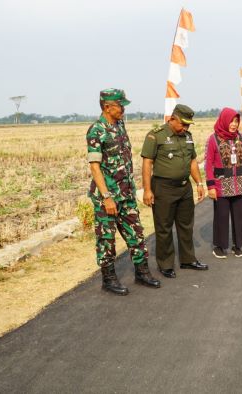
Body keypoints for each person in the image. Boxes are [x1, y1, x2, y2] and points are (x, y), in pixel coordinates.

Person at [86, 88, 160, 295]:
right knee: (106, 239)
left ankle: (142, 272)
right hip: (107, 197)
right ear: (107, 107)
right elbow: (94, 167)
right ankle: (108, 279)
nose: (123, 110)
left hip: (126, 194)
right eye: (120, 106)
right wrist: (107, 197)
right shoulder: (96, 131)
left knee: (136, 235)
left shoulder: (119, 125)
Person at [141, 104, 208, 278]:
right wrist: (147, 190)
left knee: (186, 225)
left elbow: (193, 161)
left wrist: (199, 183)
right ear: (173, 119)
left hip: (184, 187)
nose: (185, 128)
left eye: (188, 125)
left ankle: (188, 259)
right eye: (183, 124)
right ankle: (166, 264)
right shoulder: (156, 135)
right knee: (164, 228)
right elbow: (147, 163)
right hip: (163, 188)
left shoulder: (187, 137)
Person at [205, 107, 242, 259]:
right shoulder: (213, 139)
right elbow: (208, 164)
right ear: (224, 120)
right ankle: (220, 246)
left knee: (239, 217)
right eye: (231, 121)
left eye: (236, 121)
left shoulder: (241, 138)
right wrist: (211, 186)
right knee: (221, 216)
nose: (234, 124)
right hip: (221, 185)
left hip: (238, 183)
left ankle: (237, 246)